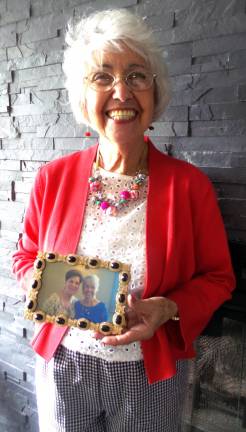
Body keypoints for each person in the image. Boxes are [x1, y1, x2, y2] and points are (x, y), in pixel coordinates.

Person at [12, 8, 235, 432]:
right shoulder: (52, 178)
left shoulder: (190, 187)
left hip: (150, 375)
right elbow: (25, 257)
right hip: (65, 365)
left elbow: (218, 278)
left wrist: (169, 307)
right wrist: (50, 289)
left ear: (155, 92)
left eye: (137, 75)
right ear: (84, 96)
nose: (121, 92)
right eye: (102, 76)